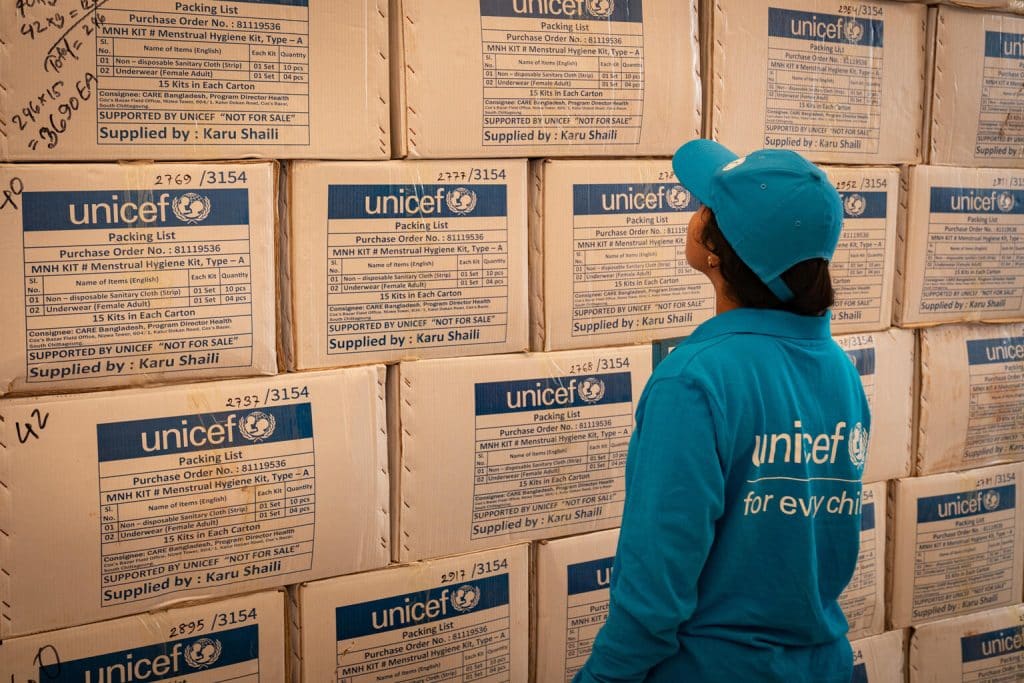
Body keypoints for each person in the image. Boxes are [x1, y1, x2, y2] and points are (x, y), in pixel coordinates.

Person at [573, 140, 871, 683]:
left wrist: (604, 676)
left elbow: (656, 579)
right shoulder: (838, 369)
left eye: (704, 205)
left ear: (717, 248)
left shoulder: (693, 381)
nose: (693, 212)